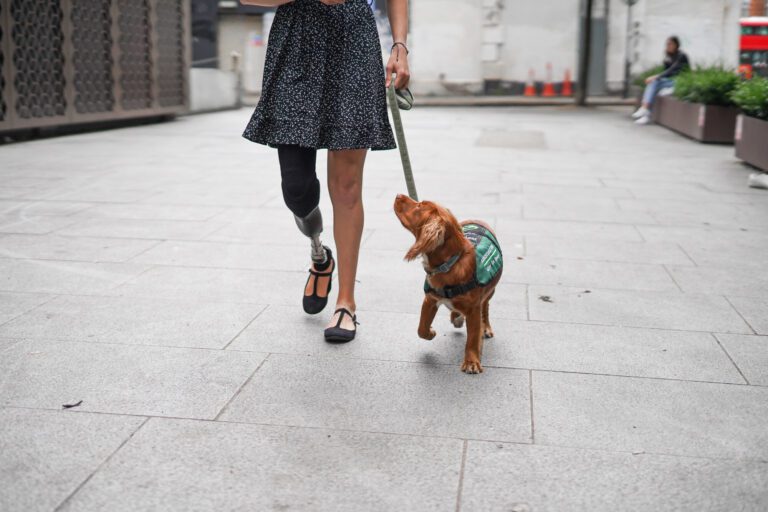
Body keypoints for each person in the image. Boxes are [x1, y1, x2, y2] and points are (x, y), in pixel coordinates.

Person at [240, 0, 410, 342]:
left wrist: (399, 46)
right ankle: (320, 254)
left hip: (354, 40)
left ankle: (346, 302)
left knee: (347, 186)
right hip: (296, 45)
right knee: (297, 190)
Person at [632, 36, 690, 125]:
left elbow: (672, 71)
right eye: (667, 44)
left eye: (670, 44)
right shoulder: (669, 56)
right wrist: (666, 61)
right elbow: (666, 72)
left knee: (654, 81)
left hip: (680, 82)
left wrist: (655, 76)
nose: (668, 46)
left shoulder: (681, 56)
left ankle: (645, 110)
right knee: (653, 84)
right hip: (670, 82)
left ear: (676, 45)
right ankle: (645, 113)